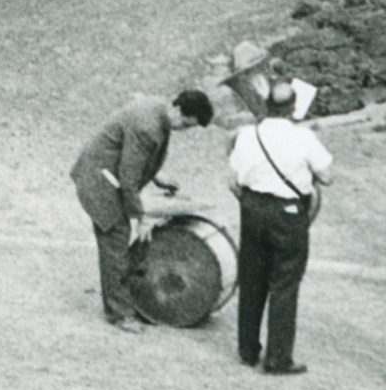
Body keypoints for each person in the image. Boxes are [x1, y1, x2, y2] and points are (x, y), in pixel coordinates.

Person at [71, 89, 216, 330]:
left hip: (106, 172)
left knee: (116, 241)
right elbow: (128, 178)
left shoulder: (158, 108)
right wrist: (141, 217)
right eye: (187, 124)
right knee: (116, 238)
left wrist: (157, 177)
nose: (185, 129)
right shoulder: (148, 127)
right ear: (178, 110)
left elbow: (132, 153)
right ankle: (120, 313)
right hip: (100, 181)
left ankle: (124, 300)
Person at [229, 81, 333, 374]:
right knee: (285, 283)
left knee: (251, 279)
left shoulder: (248, 134)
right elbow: (326, 177)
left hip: (252, 210)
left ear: (266, 105)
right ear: (293, 108)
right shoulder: (304, 137)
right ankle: (277, 358)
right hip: (288, 214)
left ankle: (247, 349)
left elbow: (232, 181)